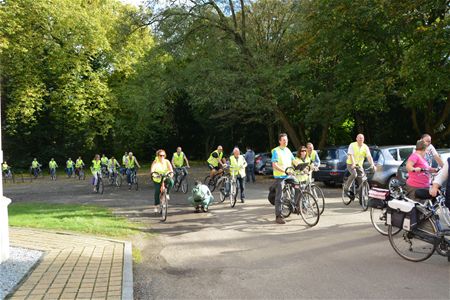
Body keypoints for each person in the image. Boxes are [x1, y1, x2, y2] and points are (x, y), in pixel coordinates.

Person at [272, 133, 295, 224]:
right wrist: (284, 171)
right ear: (280, 141)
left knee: (297, 185)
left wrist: (303, 166)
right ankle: (278, 216)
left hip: (288, 175)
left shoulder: (288, 150)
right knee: (279, 196)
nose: (286, 141)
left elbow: (294, 161)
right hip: (280, 176)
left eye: (287, 140)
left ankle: (296, 206)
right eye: (284, 140)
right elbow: (274, 165)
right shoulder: (276, 151)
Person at [343, 134, 375, 199]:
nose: (361, 139)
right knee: (354, 174)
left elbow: (369, 156)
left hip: (359, 165)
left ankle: (361, 198)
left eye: (362, 138)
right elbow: (351, 155)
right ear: (356, 139)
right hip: (351, 164)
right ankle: (347, 188)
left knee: (362, 180)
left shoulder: (365, 147)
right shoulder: (352, 145)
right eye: (359, 138)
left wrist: (372, 165)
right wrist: (353, 163)